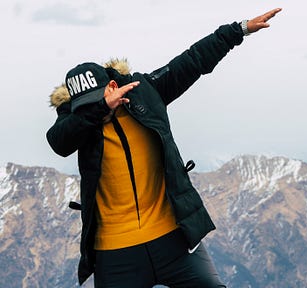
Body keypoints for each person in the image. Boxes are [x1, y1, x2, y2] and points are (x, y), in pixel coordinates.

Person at [47, 8, 282, 288]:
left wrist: (237, 30)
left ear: (113, 85)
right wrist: (97, 109)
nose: (98, 109)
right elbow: (58, 142)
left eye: (101, 99)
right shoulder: (77, 121)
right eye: (85, 106)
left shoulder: (145, 91)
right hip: (114, 250)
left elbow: (193, 61)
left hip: (172, 237)